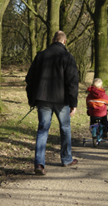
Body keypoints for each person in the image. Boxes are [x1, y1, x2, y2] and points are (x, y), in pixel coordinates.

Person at [25, 30, 79, 175]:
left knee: (42, 130)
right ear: (64, 41)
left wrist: (32, 99)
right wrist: (74, 103)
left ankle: (39, 163)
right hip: (62, 100)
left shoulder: (40, 56)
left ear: (53, 40)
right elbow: (72, 82)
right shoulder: (67, 57)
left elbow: (29, 78)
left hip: (42, 99)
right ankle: (66, 159)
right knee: (65, 129)